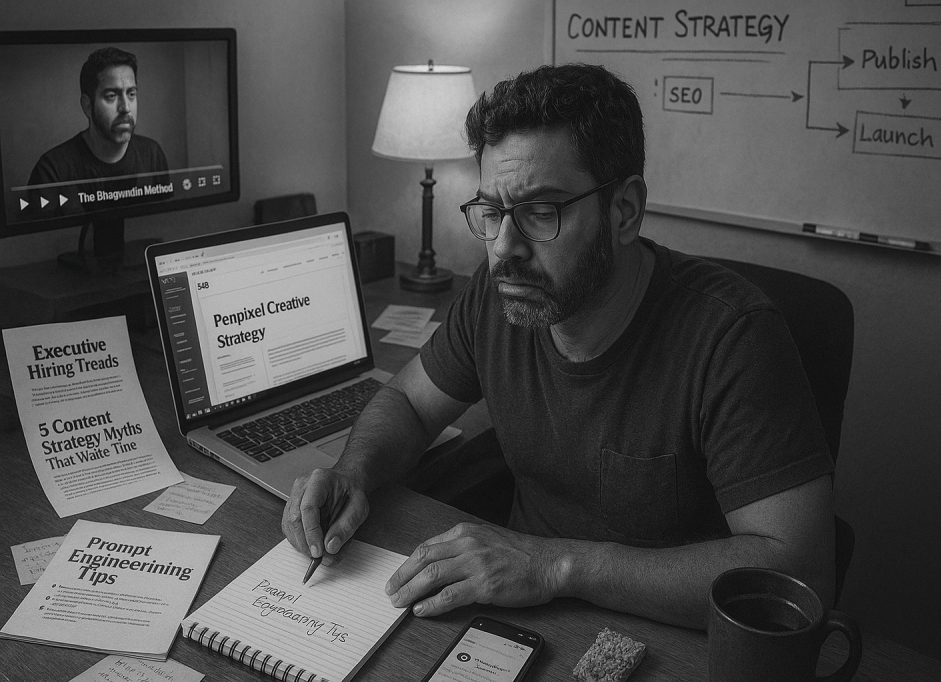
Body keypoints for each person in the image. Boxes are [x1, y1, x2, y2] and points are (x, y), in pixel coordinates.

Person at [282, 63, 836, 629]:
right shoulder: (498, 295)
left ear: (624, 211)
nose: (503, 249)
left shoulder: (732, 336)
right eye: (492, 211)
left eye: (540, 212)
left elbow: (797, 569)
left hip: (665, 635)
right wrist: (354, 472)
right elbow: (409, 403)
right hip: (518, 612)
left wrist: (555, 567)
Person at [28, 46, 169, 189]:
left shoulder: (152, 154)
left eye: (131, 94)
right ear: (87, 105)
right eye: (111, 96)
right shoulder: (52, 171)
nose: (126, 108)